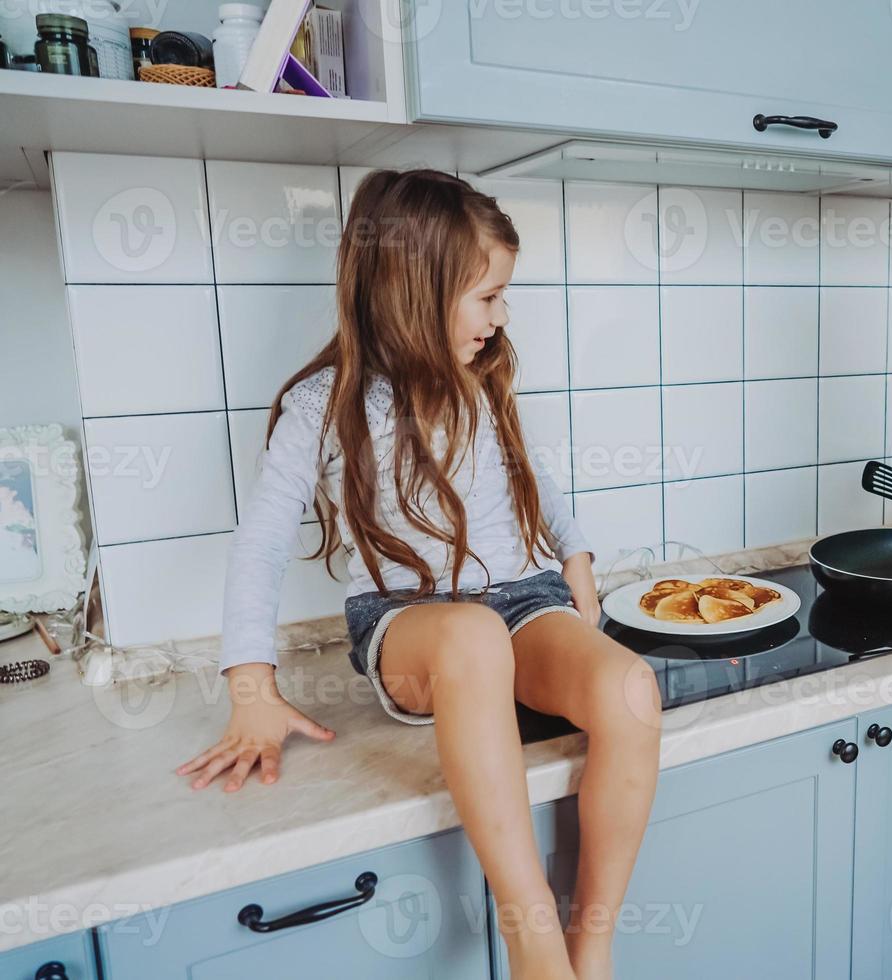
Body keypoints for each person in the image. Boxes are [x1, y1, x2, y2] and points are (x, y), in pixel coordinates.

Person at [177, 169, 662, 980]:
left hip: (524, 603)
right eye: (487, 296)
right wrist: (251, 685)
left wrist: (574, 555)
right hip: (413, 627)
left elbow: (538, 482)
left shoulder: (483, 382)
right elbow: (259, 543)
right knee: (471, 637)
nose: (501, 316)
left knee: (630, 691)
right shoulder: (323, 404)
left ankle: (593, 947)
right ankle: (530, 938)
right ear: (412, 289)